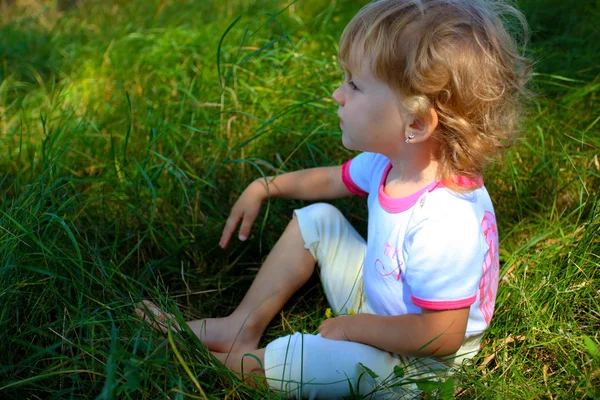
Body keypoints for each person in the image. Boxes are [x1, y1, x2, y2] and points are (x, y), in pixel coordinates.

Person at [137, 0, 531, 397]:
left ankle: (204, 363)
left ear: (415, 122)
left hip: (420, 366)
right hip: (387, 307)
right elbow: (329, 181)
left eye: (354, 85)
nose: (336, 94)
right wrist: (265, 186)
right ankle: (240, 328)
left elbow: (441, 335)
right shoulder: (390, 164)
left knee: (309, 356)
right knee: (318, 219)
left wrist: (352, 327)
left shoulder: (446, 220)